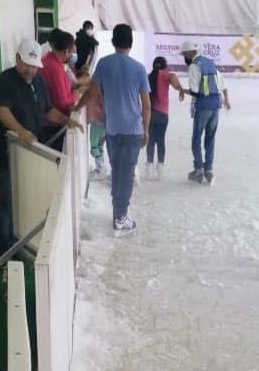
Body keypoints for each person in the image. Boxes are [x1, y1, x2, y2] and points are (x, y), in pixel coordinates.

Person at [0, 39, 82, 251]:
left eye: (34, 65)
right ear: (17, 59)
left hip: (29, 151)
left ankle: (20, 244)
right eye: (27, 64)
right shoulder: (5, 80)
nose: (30, 70)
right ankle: (1, 249)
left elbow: (48, 110)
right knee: (6, 202)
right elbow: (1, 110)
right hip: (7, 153)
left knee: (24, 199)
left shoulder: (39, 81)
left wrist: (67, 120)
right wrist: (20, 131)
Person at [88, 24, 151, 236]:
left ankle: (118, 213)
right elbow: (146, 104)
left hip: (113, 130)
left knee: (117, 172)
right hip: (133, 130)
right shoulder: (139, 68)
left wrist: (77, 108)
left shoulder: (104, 65)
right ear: (131, 44)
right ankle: (120, 219)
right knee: (126, 174)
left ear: (113, 42)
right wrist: (147, 130)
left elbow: (92, 92)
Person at [181, 40, 231, 185]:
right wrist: (227, 100)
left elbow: (195, 91)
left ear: (190, 53)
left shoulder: (194, 66)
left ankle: (198, 170)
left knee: (196, 138)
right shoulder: (210, 63)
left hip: (203, 106)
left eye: (185, 54)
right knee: (210, 138)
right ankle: (209, 170)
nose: (184, 57)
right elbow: (223, 84)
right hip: (216, 105)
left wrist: (182, 90)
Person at [40, 28, 89, 151]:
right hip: (53, 124)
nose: (72, 55)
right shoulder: (55, 68)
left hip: (51, 121)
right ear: (67, 51)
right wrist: (77, 94)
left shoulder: (49, 60)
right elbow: (62, 102)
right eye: (71, 52)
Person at [144, 56, 184, 181]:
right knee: (160, 141)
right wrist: (180, 88)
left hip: (150, 113)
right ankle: (160, 167)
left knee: (150, 140)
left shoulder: (149, 76)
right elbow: (173, 78)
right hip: (162, 114)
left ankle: (149, 166)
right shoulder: (166, 75)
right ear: (165, 66)